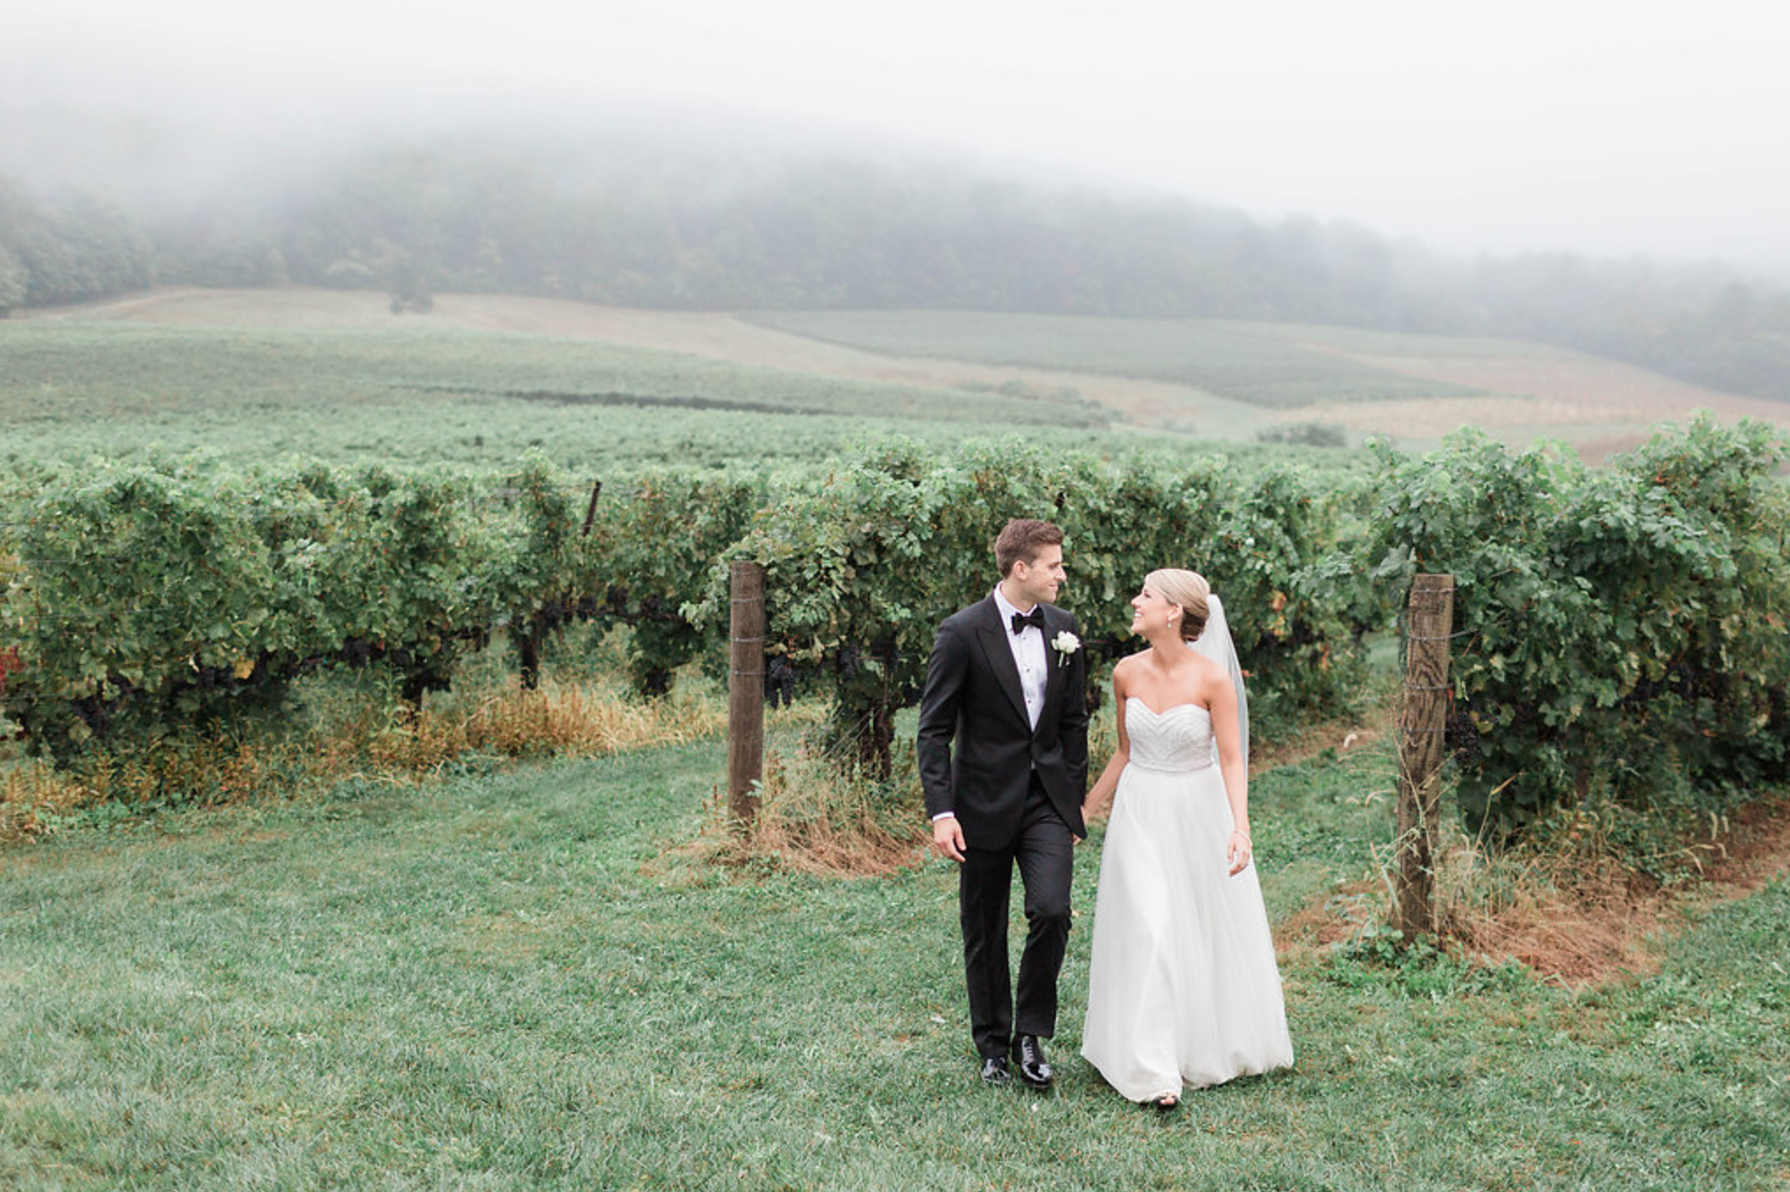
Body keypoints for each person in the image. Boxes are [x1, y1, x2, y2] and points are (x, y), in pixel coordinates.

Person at [1079, 568, 1293, 1109]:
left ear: (1173, 611)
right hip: (1140, 814)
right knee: (1149, 927)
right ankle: (1154, 1071)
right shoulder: (1125, 673)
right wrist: (1083, 811)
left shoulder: (1212, 680)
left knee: (1187, 931)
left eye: (1145, 594)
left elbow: (1230, 759)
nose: (1135, 600)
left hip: (1197, 812)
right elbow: (1125, 752)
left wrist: (1239, 827)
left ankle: (1190, 1043)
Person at [917, 518, 1090, 1088]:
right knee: (984, 927)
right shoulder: (961, 632)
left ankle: (1030, 1035)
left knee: (1053, 910)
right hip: (979, 806)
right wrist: (942, 811)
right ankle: (991, 1043)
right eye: (1054, 565)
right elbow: (933, 730)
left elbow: (1073, 722)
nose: (1062, 574)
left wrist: (1073, 800)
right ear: (1022, 568)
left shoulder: (1064, 629)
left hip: (1046, 803)